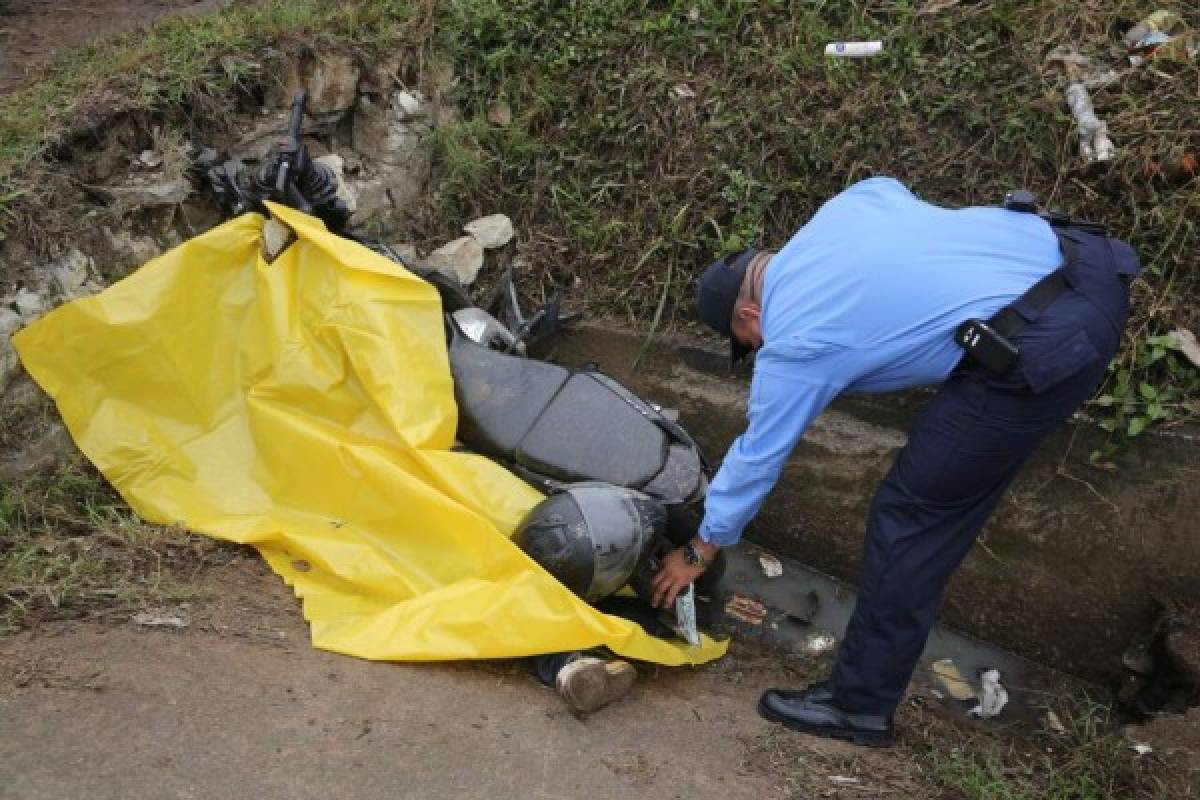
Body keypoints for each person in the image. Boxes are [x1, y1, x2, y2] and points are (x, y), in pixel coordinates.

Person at [650, 176, 1140, 746]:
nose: (759, 349)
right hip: (1086, 262)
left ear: (748, 316)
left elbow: (757, 457)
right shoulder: (845, 209)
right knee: (937, 494)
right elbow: (896, 206)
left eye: (750, 342)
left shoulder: (794, 340)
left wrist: (699, 549)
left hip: (1050, 333)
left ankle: (858, 706)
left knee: (911, 518)